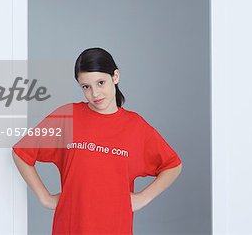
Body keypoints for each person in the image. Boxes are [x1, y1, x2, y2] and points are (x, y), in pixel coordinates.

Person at [12, 47, 183, 234]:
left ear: (115, 77)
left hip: (115, 227)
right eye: (86, 87)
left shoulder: (135, 126)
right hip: (70, 227)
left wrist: (142, 198)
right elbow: (22, 153)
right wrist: (45, 197)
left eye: (100, 82)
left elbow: (172, 165)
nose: (95, 93)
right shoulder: (67, 117)